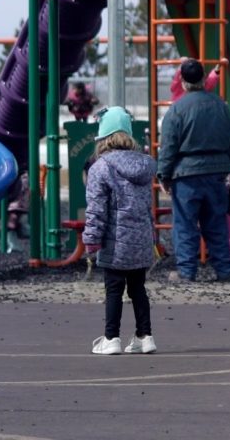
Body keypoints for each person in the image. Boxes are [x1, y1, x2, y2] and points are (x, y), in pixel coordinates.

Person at [83, 107, 158, 355]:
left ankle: (111, 337)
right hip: (141, 237)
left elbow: (96, 210)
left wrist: (91, 241)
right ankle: (144, 336)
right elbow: (147, 206)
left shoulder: (100, 168)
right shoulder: (146, 166)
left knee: (114, 287)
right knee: (138, 288)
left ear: (104, 137)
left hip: (115, 241)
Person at [157, 58, 230, 282]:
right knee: (216, 224)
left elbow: (169, 145)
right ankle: (224, 270)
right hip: (216, 174)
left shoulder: (177, 109)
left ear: (182, 81)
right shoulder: (221, 105)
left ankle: (186, 272)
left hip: (186, 175)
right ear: (204, 78)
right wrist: (224, 167)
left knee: (185, 225)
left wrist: (163, 174)